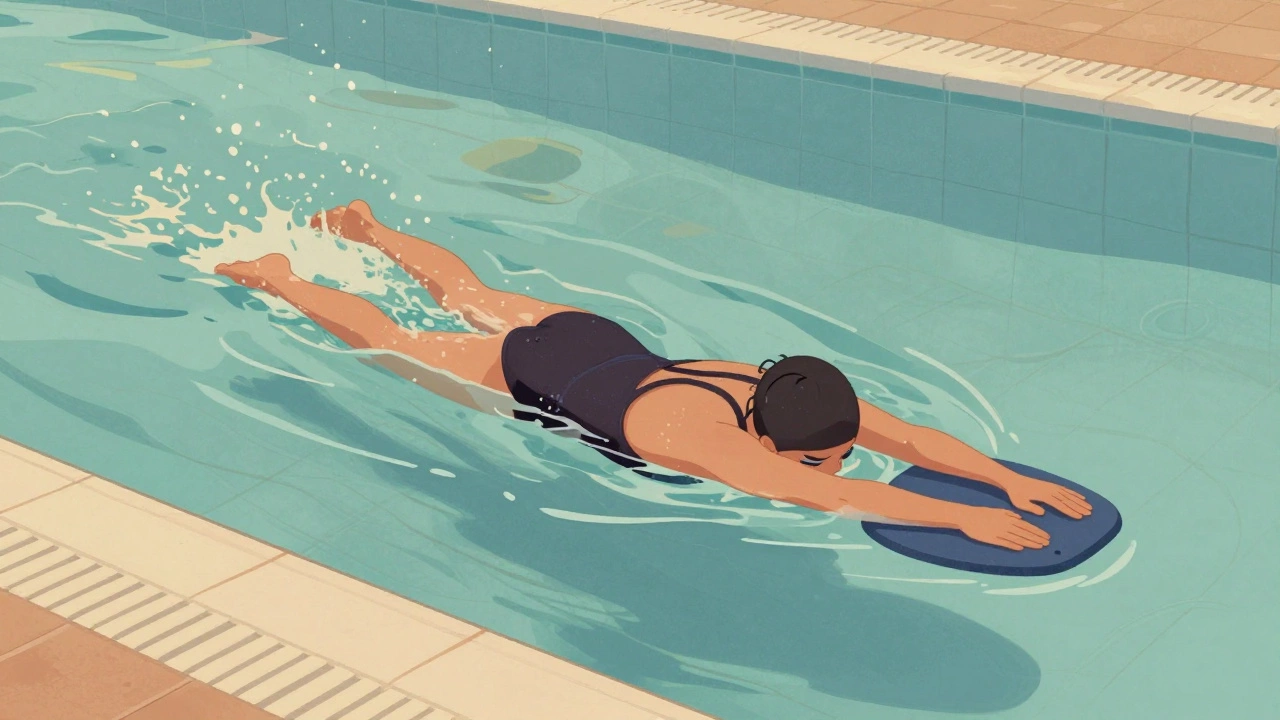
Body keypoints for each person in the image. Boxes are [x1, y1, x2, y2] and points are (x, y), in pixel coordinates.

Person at [215, 200, 1092, 552]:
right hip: (528, 372)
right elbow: (821, 498)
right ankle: (280, 275)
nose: (836, 463)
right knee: (396, 341)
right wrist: (960, 520)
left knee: (469, 289)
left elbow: (906, 437)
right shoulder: (701, 440)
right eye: (818, 456)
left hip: (596, 337)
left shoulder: (776, 389)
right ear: (762, 436)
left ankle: (367, 228)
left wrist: (1003, 479)